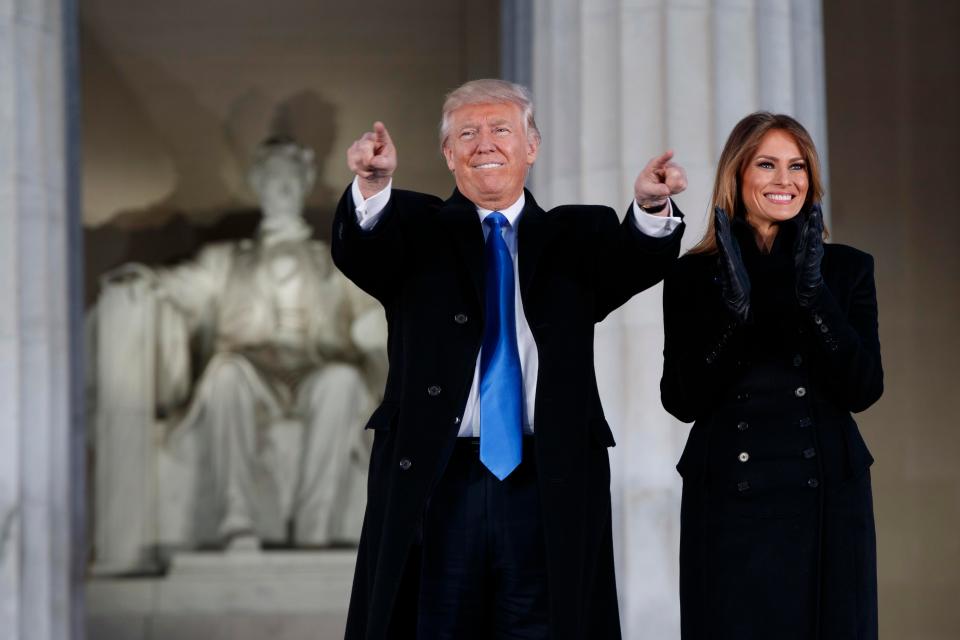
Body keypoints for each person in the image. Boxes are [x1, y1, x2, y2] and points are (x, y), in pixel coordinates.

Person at [333, 79, 687, 639]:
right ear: (448, 155)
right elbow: (364, 250)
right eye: (467, 133)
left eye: (501, 129)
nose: (485, 144)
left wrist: (648, 207)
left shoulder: (578, 233)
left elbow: (633, 261)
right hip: (438, 479)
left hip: (547, 480)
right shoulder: (415, 227)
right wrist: (372, 184)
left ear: (532, 146)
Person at [94, 137, 385, 560]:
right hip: (250, 370)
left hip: (316, 368)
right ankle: (237, 520)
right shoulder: (225, 259)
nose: (282, 188)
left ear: (304, 186)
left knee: (342, 381)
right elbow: (179, 286)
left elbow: (378, 310)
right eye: (273, 178)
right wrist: (141, 281)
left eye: (291, 179)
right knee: (225, 373)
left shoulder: (337, 260)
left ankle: (315, 524)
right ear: (259, 186)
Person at [660, 112, 882, 639]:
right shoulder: (692, 277)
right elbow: (681, 399)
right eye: (767, 164)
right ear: (737, 175)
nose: (786, 181)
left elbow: (865, 388)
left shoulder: (847, 268)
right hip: (729, 507)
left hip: (826, 498)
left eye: (797, 166)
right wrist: (733, 317)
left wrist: (815, 297)